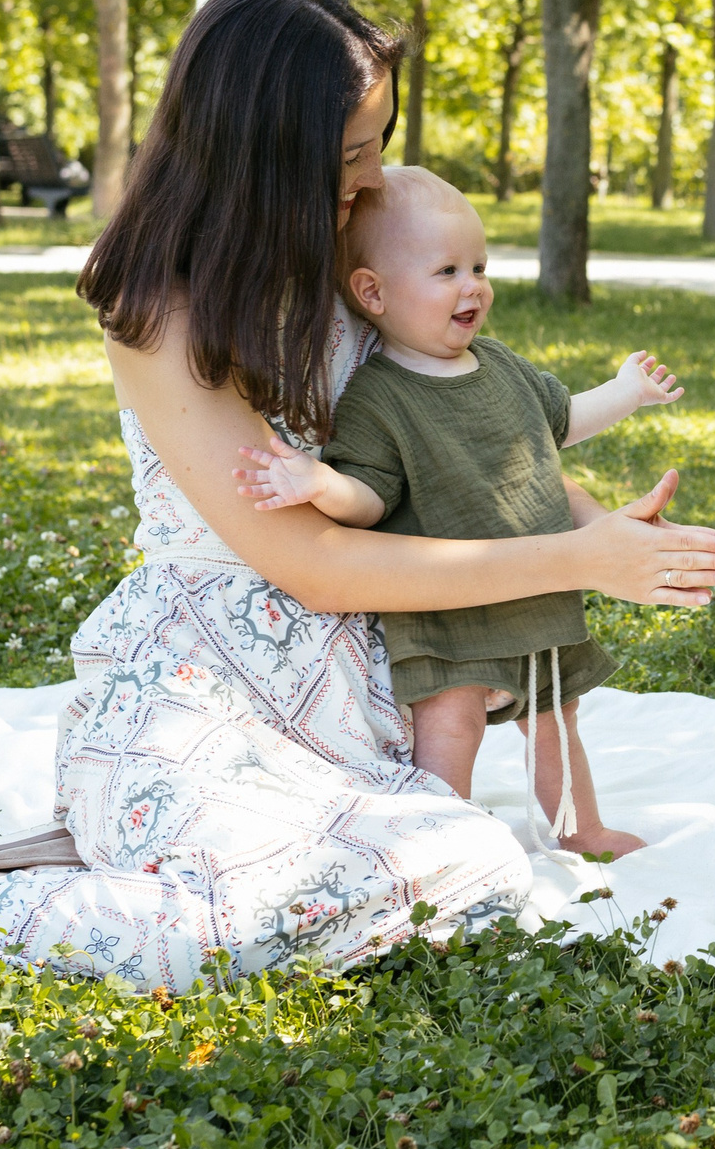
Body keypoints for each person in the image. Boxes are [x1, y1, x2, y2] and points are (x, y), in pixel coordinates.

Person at [0, 0, 715, 988]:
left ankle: (71, 862)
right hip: (205, 679)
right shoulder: (162, 310)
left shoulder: (357, 248)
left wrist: (610, 523)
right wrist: (580, 558)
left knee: (463, 872)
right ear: (262, 151)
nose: (372, 177)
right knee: (366, 891)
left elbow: (473, 432)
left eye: (377, 141)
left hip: (355, 700)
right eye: (348, 152)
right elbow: (310, 558)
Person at [233, 165, 683, 855]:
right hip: (446, 606)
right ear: (373, 292)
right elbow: (370, 498)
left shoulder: (500, 365)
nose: (473, 285)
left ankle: (581, 829)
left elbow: (559, 421)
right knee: (451, 724)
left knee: (556, 720)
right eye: (446, 270)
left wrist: (626, 392)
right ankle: (438, 843)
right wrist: (319, 485)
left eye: (478, 265)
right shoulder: (377, 399)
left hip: (535, 591)